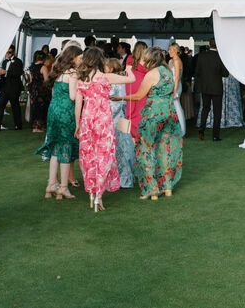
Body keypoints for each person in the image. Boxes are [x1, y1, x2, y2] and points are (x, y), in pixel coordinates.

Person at [114, 47, 183, 200]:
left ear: (152, 60)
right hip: (169, 114)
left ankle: (152, 190)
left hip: (153, 115)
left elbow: (139, 96)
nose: (143, 62)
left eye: (145, 59)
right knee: (164, 149)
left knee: (146, 149)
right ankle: (167, 188)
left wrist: (120, 98)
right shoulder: (167, 72)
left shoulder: (152, 74)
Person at [74, 47, 135, 211]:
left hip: (88, 120)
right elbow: (131, 79)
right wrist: (128, 67)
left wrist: (77, 125)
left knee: (89, 156)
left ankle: (92, 194)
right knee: (104, 156)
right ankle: (98, 197)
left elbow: (78, 104)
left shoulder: (82, 80)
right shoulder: (106, 77)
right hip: (103, 121)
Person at [37, 44, 82, 200]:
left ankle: (51, 184)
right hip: (66, 112)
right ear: (74, 58)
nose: (81, 60)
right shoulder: (73, 73)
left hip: (54, 110)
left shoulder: (57, 70)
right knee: (65, 147)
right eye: (80, 57)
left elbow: (54, 92)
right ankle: (63, 187)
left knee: (56, 145)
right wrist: (83, 91)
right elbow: (72, 96)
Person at [106, 57, 137, 189]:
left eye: (105, 66)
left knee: (123, 149)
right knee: (117, 149)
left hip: (118, 118)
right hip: (117, 117)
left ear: (111, 68)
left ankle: (124, 178)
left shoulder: (118, 81)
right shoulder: (113, 79)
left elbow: (121, 102)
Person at [195, 39, 228, 141]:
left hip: (205, 88)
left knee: (205, 109)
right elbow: (225, 74)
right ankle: (215, 136)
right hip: (217, 88)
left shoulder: (201, 56)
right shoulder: (220, 57)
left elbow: (197, 72)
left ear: (209, 44)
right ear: (217, 45)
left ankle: (201, 130)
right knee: (217, 112)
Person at [0, 45, 25, 131]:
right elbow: (3, 75)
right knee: (1, 106)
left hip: (14, 88)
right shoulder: (4, 62)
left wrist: (6, 72)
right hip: (4, 88)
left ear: (13, 52)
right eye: (6, 52)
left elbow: (18, 73)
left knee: (15, 106)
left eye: (9, 52)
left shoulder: (18, 62)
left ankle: (18, 126)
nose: (7, 54)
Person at [126, 41, 149, 138]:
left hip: (131, 83)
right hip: (141, 82)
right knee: (141, 108)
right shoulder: (146, 60)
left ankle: (132, 133)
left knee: (131, 106)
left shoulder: (130, 58)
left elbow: (127, 72)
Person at [25, 51, 48, 132]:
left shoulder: (31, 67)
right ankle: (38, 127)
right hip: (41, 90)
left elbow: (30, 80)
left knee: (34, 107)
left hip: (33, 89)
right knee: (41, 108)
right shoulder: (43, 67)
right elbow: (46, 80)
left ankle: (34, 126)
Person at [168, 43, 187, 135]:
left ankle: (182, 131)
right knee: (174, 108)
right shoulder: (171, 61)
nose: (169, 52)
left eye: (170, 50)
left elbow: (177, 77)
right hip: (172, 85)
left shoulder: (176, 61)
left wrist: (174, 90)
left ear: (175, 50)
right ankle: (176, 129)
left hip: (176, 86)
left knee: (177, 107)